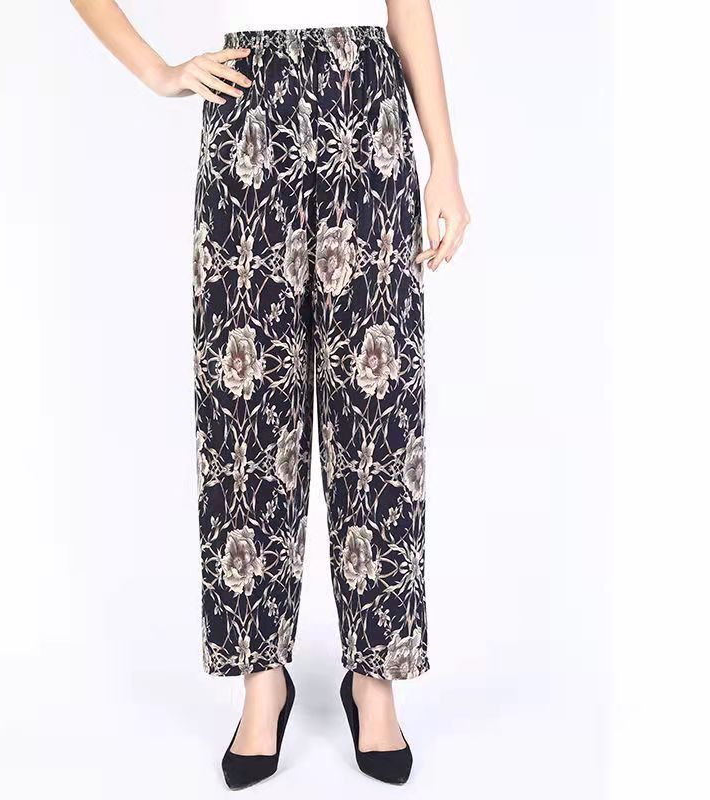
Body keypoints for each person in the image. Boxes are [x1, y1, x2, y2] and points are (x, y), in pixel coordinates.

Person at [71, 0, 469, 789]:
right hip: (247, 101)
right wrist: (159, 71)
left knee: (377, 402)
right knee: (245, 408)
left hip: (367, 105)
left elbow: (407, 6)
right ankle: (262, 679)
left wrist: (445, 160)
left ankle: (375, 677)